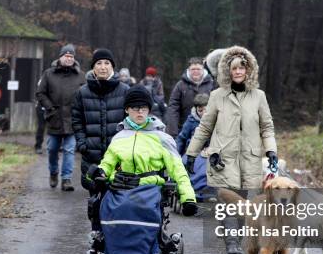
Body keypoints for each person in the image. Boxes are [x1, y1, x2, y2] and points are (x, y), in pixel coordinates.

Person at [184, 46, 278, 254]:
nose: (237, 72)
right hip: (223, 160)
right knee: (227, 202)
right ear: (227, 71)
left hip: (249, 158)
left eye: (241, 68)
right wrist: (191, 154)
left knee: (243, 205)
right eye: (233, 68)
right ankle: (232, 245)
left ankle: (239, 239)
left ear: (249, 70)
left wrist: (271, 150)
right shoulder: (217, 96)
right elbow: (205, 127)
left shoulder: (259, 96)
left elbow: (267, 127)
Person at [88, 85, 197, 216]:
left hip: (150, 192)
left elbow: (178, 169)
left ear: (149, 110)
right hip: (121, 190)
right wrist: (99, 172)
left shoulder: (162, 138)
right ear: (127, 109)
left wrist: (188, 198)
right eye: (135, 108)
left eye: (144, 108)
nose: (140, 111)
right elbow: (107, 164)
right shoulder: (119, 137)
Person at [71, 48, 129, 193]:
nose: (103, 67)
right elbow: (77, 120)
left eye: (107, 63)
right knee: (94, 193)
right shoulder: (82, 92)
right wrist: (82, 143)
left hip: (118, 153)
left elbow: (131, 121)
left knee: (117, 194)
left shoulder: (125, 90)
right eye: (99, 63)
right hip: (92, 152)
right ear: (93, 67)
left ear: (112, 66)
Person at [36, 44, 85, 191]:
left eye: (71, 56)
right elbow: (40, 93)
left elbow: (86, 95)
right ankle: (53, 172)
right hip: (54, 118)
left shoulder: (80, 76)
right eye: (66, 56)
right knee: (52, 149)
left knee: (69, 149)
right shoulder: (49, 74)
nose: (69, 59)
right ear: (60, 57)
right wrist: (49, 108)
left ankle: (66, 179)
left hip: (72, 119)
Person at [166, 57, 215, 137]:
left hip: (207, 129)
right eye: (193, 69)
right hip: (185, 129)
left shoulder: (211, 84)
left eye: (198, 69)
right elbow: (173, 108)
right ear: (188, 70)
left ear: (203, 70)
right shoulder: (180, 85)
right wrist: (173, 131)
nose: (195, 71)